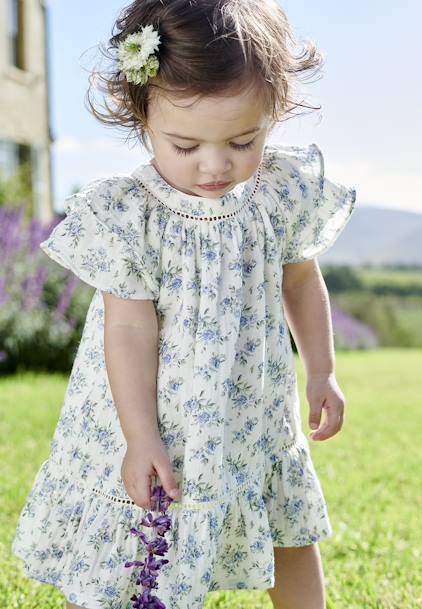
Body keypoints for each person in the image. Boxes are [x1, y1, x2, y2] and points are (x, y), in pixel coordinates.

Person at [11, 1, 357, 608]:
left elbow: (300, 281)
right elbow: (128, 331)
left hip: (249, 411)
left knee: (289, 532)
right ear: (143, 117)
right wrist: (140, 436)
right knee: (133, 543)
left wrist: (322, 371)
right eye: (186, 144)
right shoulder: (130, 213)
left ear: (273, 114)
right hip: (154, 417)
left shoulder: (277, 194)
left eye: (242, 140)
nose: (215, 164)